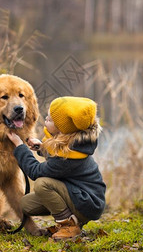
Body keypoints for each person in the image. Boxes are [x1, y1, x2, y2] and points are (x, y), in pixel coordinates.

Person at [7, 96, 106, 239]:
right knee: (27, 204)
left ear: (63, 128)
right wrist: (42, 147)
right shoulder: (74, 144)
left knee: (42, 184)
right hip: (79, 195)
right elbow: (58, 155)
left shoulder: (69, 159)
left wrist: (20, 147)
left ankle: (69, 225)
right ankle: (73, 220)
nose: (46, 120)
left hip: (88, 203)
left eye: (50, 120)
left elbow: (36, 172)